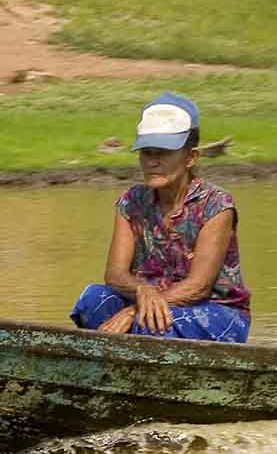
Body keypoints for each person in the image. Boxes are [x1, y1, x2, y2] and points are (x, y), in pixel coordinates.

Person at [69, 92, 252, 342]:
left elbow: (198, 287)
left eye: (163, 153)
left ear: (191, 157)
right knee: (92, 300)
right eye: (147, 152)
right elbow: (115, 275)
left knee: (151, 324)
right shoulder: (131, 202)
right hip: (150, 303)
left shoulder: (217, 205)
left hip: (216, 312)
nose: (152, 162)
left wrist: (135, 310)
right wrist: (143, 290)